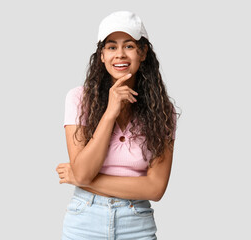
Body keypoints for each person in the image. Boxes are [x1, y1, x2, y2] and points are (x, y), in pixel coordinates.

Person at [56, 11, 179, 240]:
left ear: (143, 53)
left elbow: (155, 189)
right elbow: (83, 170)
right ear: (101, 55)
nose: (120, 55)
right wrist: (110, 112)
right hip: (84, 221)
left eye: (129, 46)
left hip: (137, 223)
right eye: (111, 47)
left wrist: (81, 180)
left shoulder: (162, 111)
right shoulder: (78, 99)